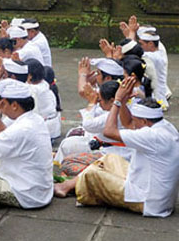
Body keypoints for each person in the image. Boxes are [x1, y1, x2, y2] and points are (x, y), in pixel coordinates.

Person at [54, 77, 179, 217]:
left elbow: (109, 131)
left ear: (144, 121)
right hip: (153, 192)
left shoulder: (151, 135)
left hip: (147, 201)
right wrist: (123, 102)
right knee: (109, 159)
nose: (134, 126)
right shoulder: (165, 127)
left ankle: (66, 187)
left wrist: (118, 101)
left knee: (93, 174)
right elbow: (128, 124)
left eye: (136, 121)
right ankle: (69, 186)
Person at [0, 79, 53, 208]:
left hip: (25, 194)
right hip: (38, 190)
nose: (0, 108)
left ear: (14, 105)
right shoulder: (34, 119)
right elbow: (6, 136)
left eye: (2, 104)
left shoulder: (23, 129)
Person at [25, 59, 60, 140]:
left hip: (44, 133)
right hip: (52, 130)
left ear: (29, 76)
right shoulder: (44, 83)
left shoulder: (33, 89)